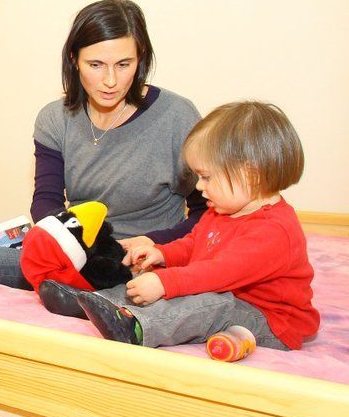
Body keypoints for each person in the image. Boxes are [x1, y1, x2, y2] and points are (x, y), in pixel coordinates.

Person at [0, 0, 205, 287]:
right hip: (73, 253)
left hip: (139, 262)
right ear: (74, 59)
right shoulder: (55, 118)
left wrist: (154, 242)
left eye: (123, 64)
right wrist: (71, 244)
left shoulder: (176, 115)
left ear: (140, 58)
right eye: (95, 64)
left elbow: (208, 214)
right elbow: (46, 200)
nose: (110, 80)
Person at [66, 101, 318, 350]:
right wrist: (163, 254)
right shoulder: (220, 211)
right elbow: (195, 244)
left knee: (207, 302)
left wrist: (165, 282)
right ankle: (94, 302)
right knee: (153, 281)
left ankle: (138, 326)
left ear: (250, 175)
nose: (199, 186)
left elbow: (218, 273)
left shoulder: (274, 231)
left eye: (206, 177)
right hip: (226, 293)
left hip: (270, 321)